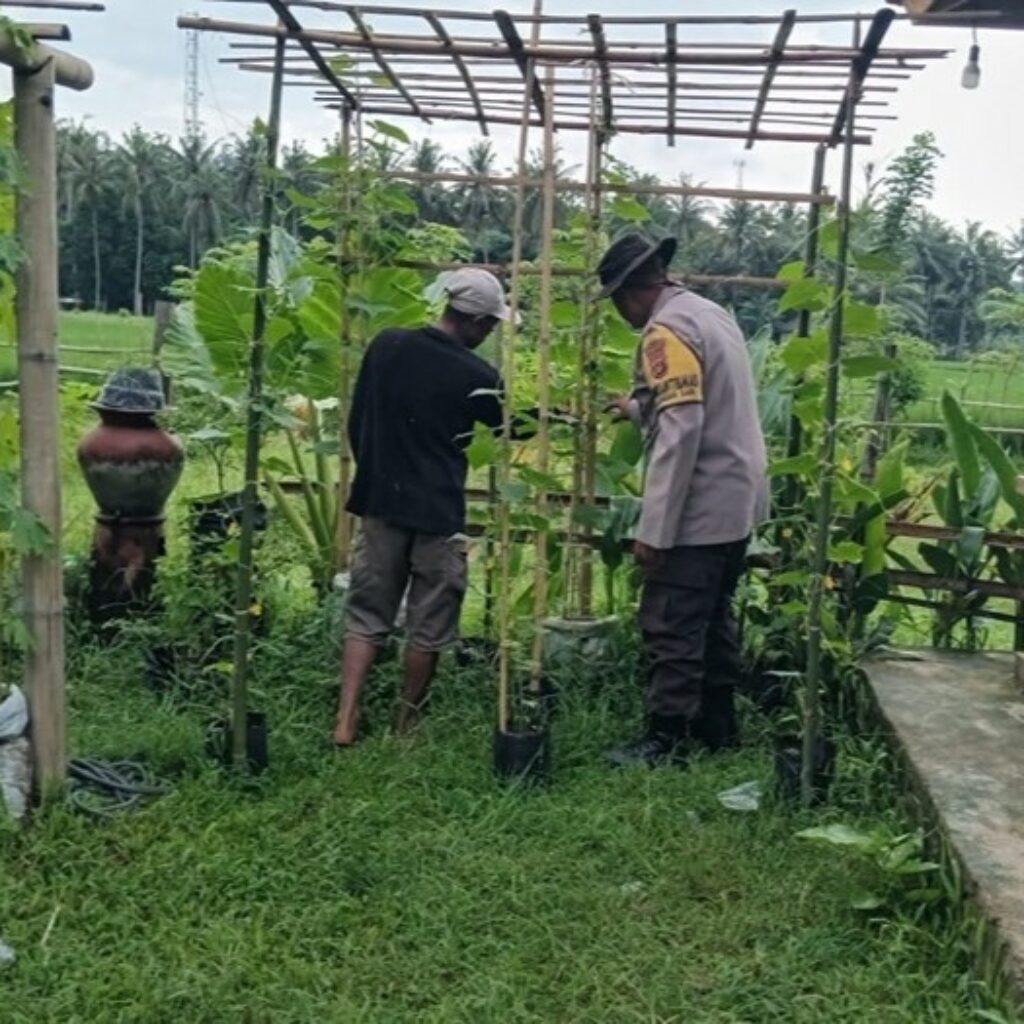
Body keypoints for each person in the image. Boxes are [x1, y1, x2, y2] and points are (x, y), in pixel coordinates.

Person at [597, 233, 768, 767]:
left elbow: (683, 427)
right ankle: (718, 727)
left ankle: (664, 741)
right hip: (736, 503)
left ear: (631, 293)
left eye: (618, 303)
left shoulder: (663, 332)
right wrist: (634, 406)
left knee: (669, 621)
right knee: (713, 616)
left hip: (698, 505)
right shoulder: (709, 314)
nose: (623, 316)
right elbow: (696, 401)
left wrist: (655, 527)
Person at [332, 268, 510, 747]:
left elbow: (358, 418)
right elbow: (514, 426)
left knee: (367, 614)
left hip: (380, 501)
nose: (489, 334)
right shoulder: (477, 375)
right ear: (473, 321)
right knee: (429, 623)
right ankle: (406, 724)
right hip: (437, 511)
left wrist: (373, 470)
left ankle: (345, 720)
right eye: (490, 326)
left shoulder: (387, 346)